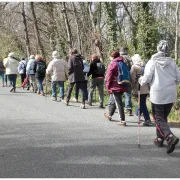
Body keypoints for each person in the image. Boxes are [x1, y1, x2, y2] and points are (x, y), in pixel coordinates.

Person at [139, 40, 180, 154]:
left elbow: (146, 79)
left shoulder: (153, 62)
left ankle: (169, 137)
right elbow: (178, 78)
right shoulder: (172, 62)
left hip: (158, 93)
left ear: (158, 48)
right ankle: (160, 139)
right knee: (162, 118)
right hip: (171, 93)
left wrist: (140, 80)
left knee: (158, 118)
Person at [104, 50, 128, 126]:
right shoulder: (123, 62)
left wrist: (108, 86)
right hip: (123, 84)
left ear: (113, 57)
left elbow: (109, 76)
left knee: (118, 103)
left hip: (115, 86)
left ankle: (122, 120)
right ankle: (110, 115)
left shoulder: (113, 64)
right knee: (114, 101)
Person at [131, 54, 152, 126]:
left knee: (142, 103)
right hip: (146, 87)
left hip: (139, 87)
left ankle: (147, 119)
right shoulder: (145, 66)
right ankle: (137, 114)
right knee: (141, 101)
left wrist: (132, 86)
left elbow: (132, 78)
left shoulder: (134, 67)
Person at [119, 47, 133, 116]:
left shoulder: (119, 58)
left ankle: (114, 107)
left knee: (117, 94)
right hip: (128, 78)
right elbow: (132, 69)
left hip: (120, 79)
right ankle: (128, 109)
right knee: (128, 94)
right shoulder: (129, 58)